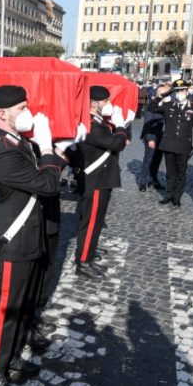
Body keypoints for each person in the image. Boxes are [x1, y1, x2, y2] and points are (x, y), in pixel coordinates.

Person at [0, 85, 66, 386]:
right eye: (22, 109)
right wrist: (46, 149)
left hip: (29, 238)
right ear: (3, 114)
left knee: (23, 307)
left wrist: (59, 152)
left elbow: (43, 177)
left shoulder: (16, 143)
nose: (27, 113)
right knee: (6, 311)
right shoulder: (3, 152)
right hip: (13, 243)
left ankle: (12, 358)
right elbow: (46, 184)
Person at [75, 86, 130, 279]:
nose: (109, 104)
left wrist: (119, 129)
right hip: (96, 180)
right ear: (94, 104)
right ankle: (83, 262)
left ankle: (90, 251)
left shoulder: (98, 122)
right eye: (106, 101)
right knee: (90, 223)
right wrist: (122, 126)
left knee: (97, 222)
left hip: (101, 178)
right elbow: (116, 144)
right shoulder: (93, 125)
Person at [148, 79, 193, 208]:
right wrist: (164, 94)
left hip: (184, 144)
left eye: (182, 90)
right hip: (169, 143)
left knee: (181, 173)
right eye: (177, 91)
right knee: (170, 172)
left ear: (187, 91)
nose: (180, 93)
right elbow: (151, 107)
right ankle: (169, 195)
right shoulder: (169, 105)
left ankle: (177, 197)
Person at [138, 84, 166, 192]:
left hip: (162, 136)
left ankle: (153, 179)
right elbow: (147, 124)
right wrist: (149, 139)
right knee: (148, 159)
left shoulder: (166, 105)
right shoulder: (152, 106)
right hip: (152, 136)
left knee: (157, 160)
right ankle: (143, 182)